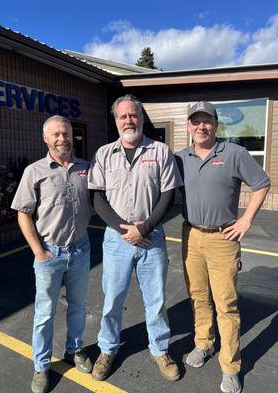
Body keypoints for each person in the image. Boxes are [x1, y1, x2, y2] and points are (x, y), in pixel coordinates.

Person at [175, 101, 270, 393]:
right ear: (189, 126)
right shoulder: (179, 158)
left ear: (216, 125)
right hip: (191, 236)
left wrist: (246, 221)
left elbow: (261, 184)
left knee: (226, 304)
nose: (201, 127)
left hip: (223, 239)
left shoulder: (234, 153)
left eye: (207, 121)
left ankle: (230, 366)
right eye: (196, 122)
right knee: (198, 296)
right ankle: (204, 344)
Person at [88, 94, 182, 382]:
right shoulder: (103, 154)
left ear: (141, 118)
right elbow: (97, 197)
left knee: (155, 300)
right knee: (112, 299)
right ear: (116, 120)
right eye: (123, 116)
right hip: (117, 241)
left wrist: (144, 227)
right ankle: (107, 349)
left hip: (151, 238)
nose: (129, 120)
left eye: (134, 115)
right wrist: (124, 229)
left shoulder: (161, 151)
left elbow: (169, 195)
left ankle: (160, 349)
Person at [11, 115, 93, 393]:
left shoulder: (85, 168)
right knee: (45, 313)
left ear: (73, 136)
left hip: (80, 249)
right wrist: (39, 252)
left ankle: (75, 349)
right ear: (45, 138)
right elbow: (23, 214)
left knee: (79, 307)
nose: (62, 139)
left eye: (66, 134)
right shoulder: (34, 171)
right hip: (50, 253)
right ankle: (41, 366)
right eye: (56, 134)